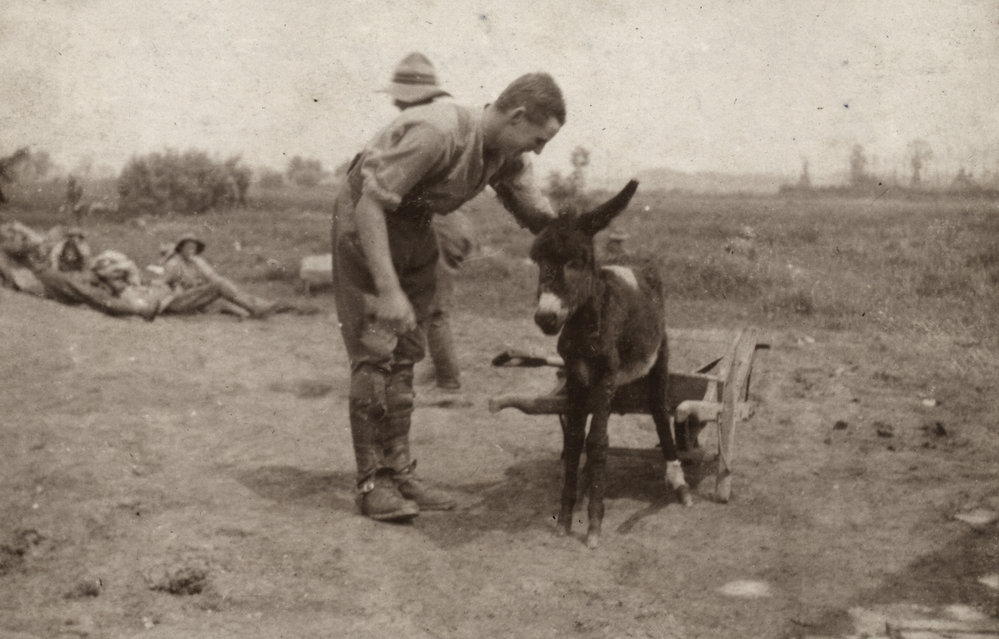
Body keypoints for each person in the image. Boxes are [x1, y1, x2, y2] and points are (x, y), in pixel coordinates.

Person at [332, 70, 564, 521]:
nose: (537, 150)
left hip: (417, 224)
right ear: (517, 116)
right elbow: (370, 206)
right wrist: (388, 289)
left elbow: (541, 217)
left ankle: (399, 472)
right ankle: (371, 483)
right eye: (539, 139)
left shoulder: (505, 154)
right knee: (376, 348)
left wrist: (580, 240)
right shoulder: (437, 133)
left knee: (408, 351)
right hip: (367, 223)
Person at [381, 52, 475, 391]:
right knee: (430, 302)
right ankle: (438, 370)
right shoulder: (446, 122)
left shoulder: (425, 126)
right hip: (451, 224)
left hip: (441, 226)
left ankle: (449, 380)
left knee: (434, 308)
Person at [160, 233, 286, 318]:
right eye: (188, 248)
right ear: (180, 249)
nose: (191, 251)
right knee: (220, 286)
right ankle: (256, 307)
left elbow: (212, 276)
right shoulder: (174, 263)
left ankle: (258, 306)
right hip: (178, 301)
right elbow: (162, 284)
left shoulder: (196, 261)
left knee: (222, 289)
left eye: (193, 248)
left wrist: (220, 285)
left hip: (193, 298)